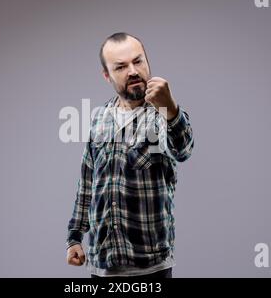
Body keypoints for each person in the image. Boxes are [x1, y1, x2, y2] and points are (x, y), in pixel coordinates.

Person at [66, 32, 194, 278]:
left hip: (151, 266)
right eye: (121, 67)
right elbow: (87, 183)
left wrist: (170, 106)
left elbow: (184, 149)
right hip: (102, 265)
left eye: (138, 61)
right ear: (107, 75)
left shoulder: (163, 113)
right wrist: (74, 237)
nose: (133, 71)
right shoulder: (99, 119)